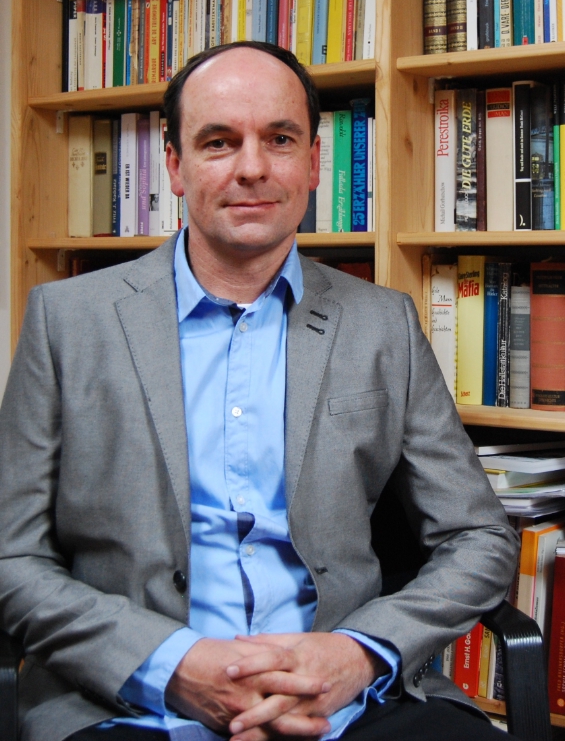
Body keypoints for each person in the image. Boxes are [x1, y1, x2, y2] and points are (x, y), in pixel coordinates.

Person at [0, 42, 518, 741]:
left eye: (280, 139)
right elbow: (12, 558)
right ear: (174, 165)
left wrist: (359, 653)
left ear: (313, 163)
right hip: (132, 706)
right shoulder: (66, 321)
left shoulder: (382, 325)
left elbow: (478, 537)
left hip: (345, 705)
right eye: (219, 142)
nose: (252, 168)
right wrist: (171, 664)